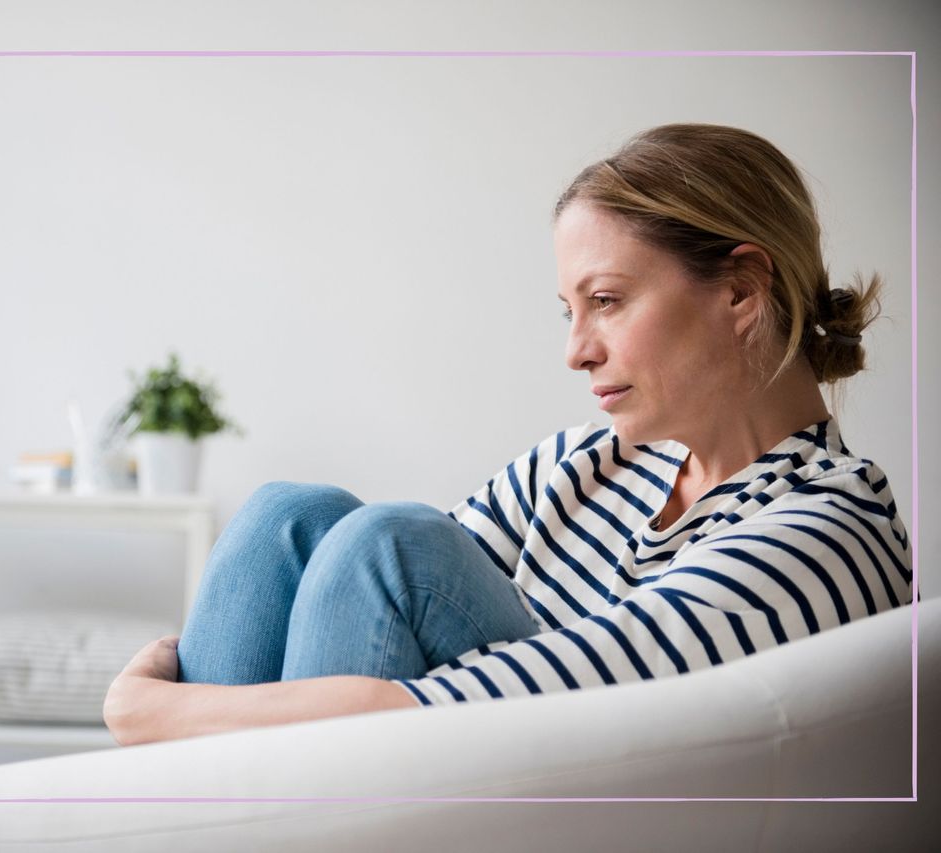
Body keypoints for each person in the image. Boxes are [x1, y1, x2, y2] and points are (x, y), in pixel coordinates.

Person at [102, 123, 913, 746]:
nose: (576, 350)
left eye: (607, 300)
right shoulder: (579, 464)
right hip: (453, 773)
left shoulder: (828, 528)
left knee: (391, 545)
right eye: (570, 312)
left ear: (740, 291)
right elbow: (369, 626)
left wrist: (155, 709)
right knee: (291, 514)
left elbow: (516, 694)